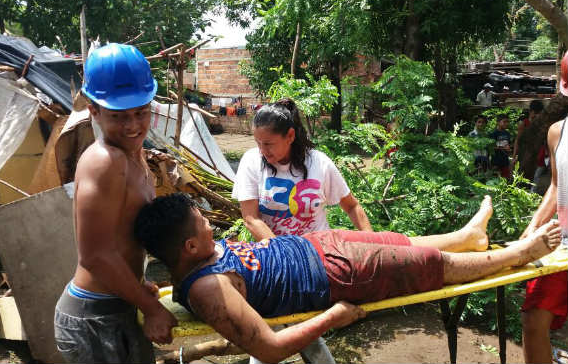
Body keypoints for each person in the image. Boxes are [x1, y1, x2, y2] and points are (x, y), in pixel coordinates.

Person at [135, 193, 561, 364]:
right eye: (202, 222)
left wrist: (150, 297)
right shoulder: (208, 289)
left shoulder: (196, 257)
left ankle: (468, 237)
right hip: (337, 276)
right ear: (190, 248)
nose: (210, 223)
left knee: (402, 242)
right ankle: (520, 253)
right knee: (428, 268)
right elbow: (268, 350)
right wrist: (334, 317)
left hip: (321, 246)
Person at [54, 43, 176, 363]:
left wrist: (138, 284)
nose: (133, 125)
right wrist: (151, 308)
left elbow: (120, 236)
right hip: (93, 318)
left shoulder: (134, 156)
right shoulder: (105, 161)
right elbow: (94, 255)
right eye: (118, 116)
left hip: (117, 304)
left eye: (141, 112)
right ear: (93, 110)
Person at [231, 98, 371, 363]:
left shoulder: (319, 163)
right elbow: (250, 219)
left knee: (300, 329)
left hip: (320, 261)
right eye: (258, 143)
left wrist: (374, 244)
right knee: (271, 330)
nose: (262, 151)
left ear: (291, 135)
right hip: (272, 262)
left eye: (269, 144)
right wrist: (286, 258)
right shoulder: (251, 161)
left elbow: (352, 206)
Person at [519, 52, 568, 364]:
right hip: (564, 245)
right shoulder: (557, 132)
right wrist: (533, 226)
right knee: (534, 320)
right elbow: (556, 186)